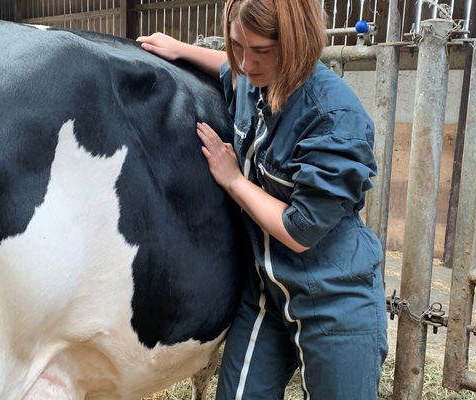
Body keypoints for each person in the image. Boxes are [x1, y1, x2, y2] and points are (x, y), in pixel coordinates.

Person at [138, 0, 387, 398]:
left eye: (263, 51)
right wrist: (180, 49)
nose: (247, 63)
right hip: (268, 296)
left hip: (333, 297)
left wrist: (234, 181)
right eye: (238, 45)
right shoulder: (250, 82)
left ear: (297, 44)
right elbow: (227, 66)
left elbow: (300, 230)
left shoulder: (334, 117)